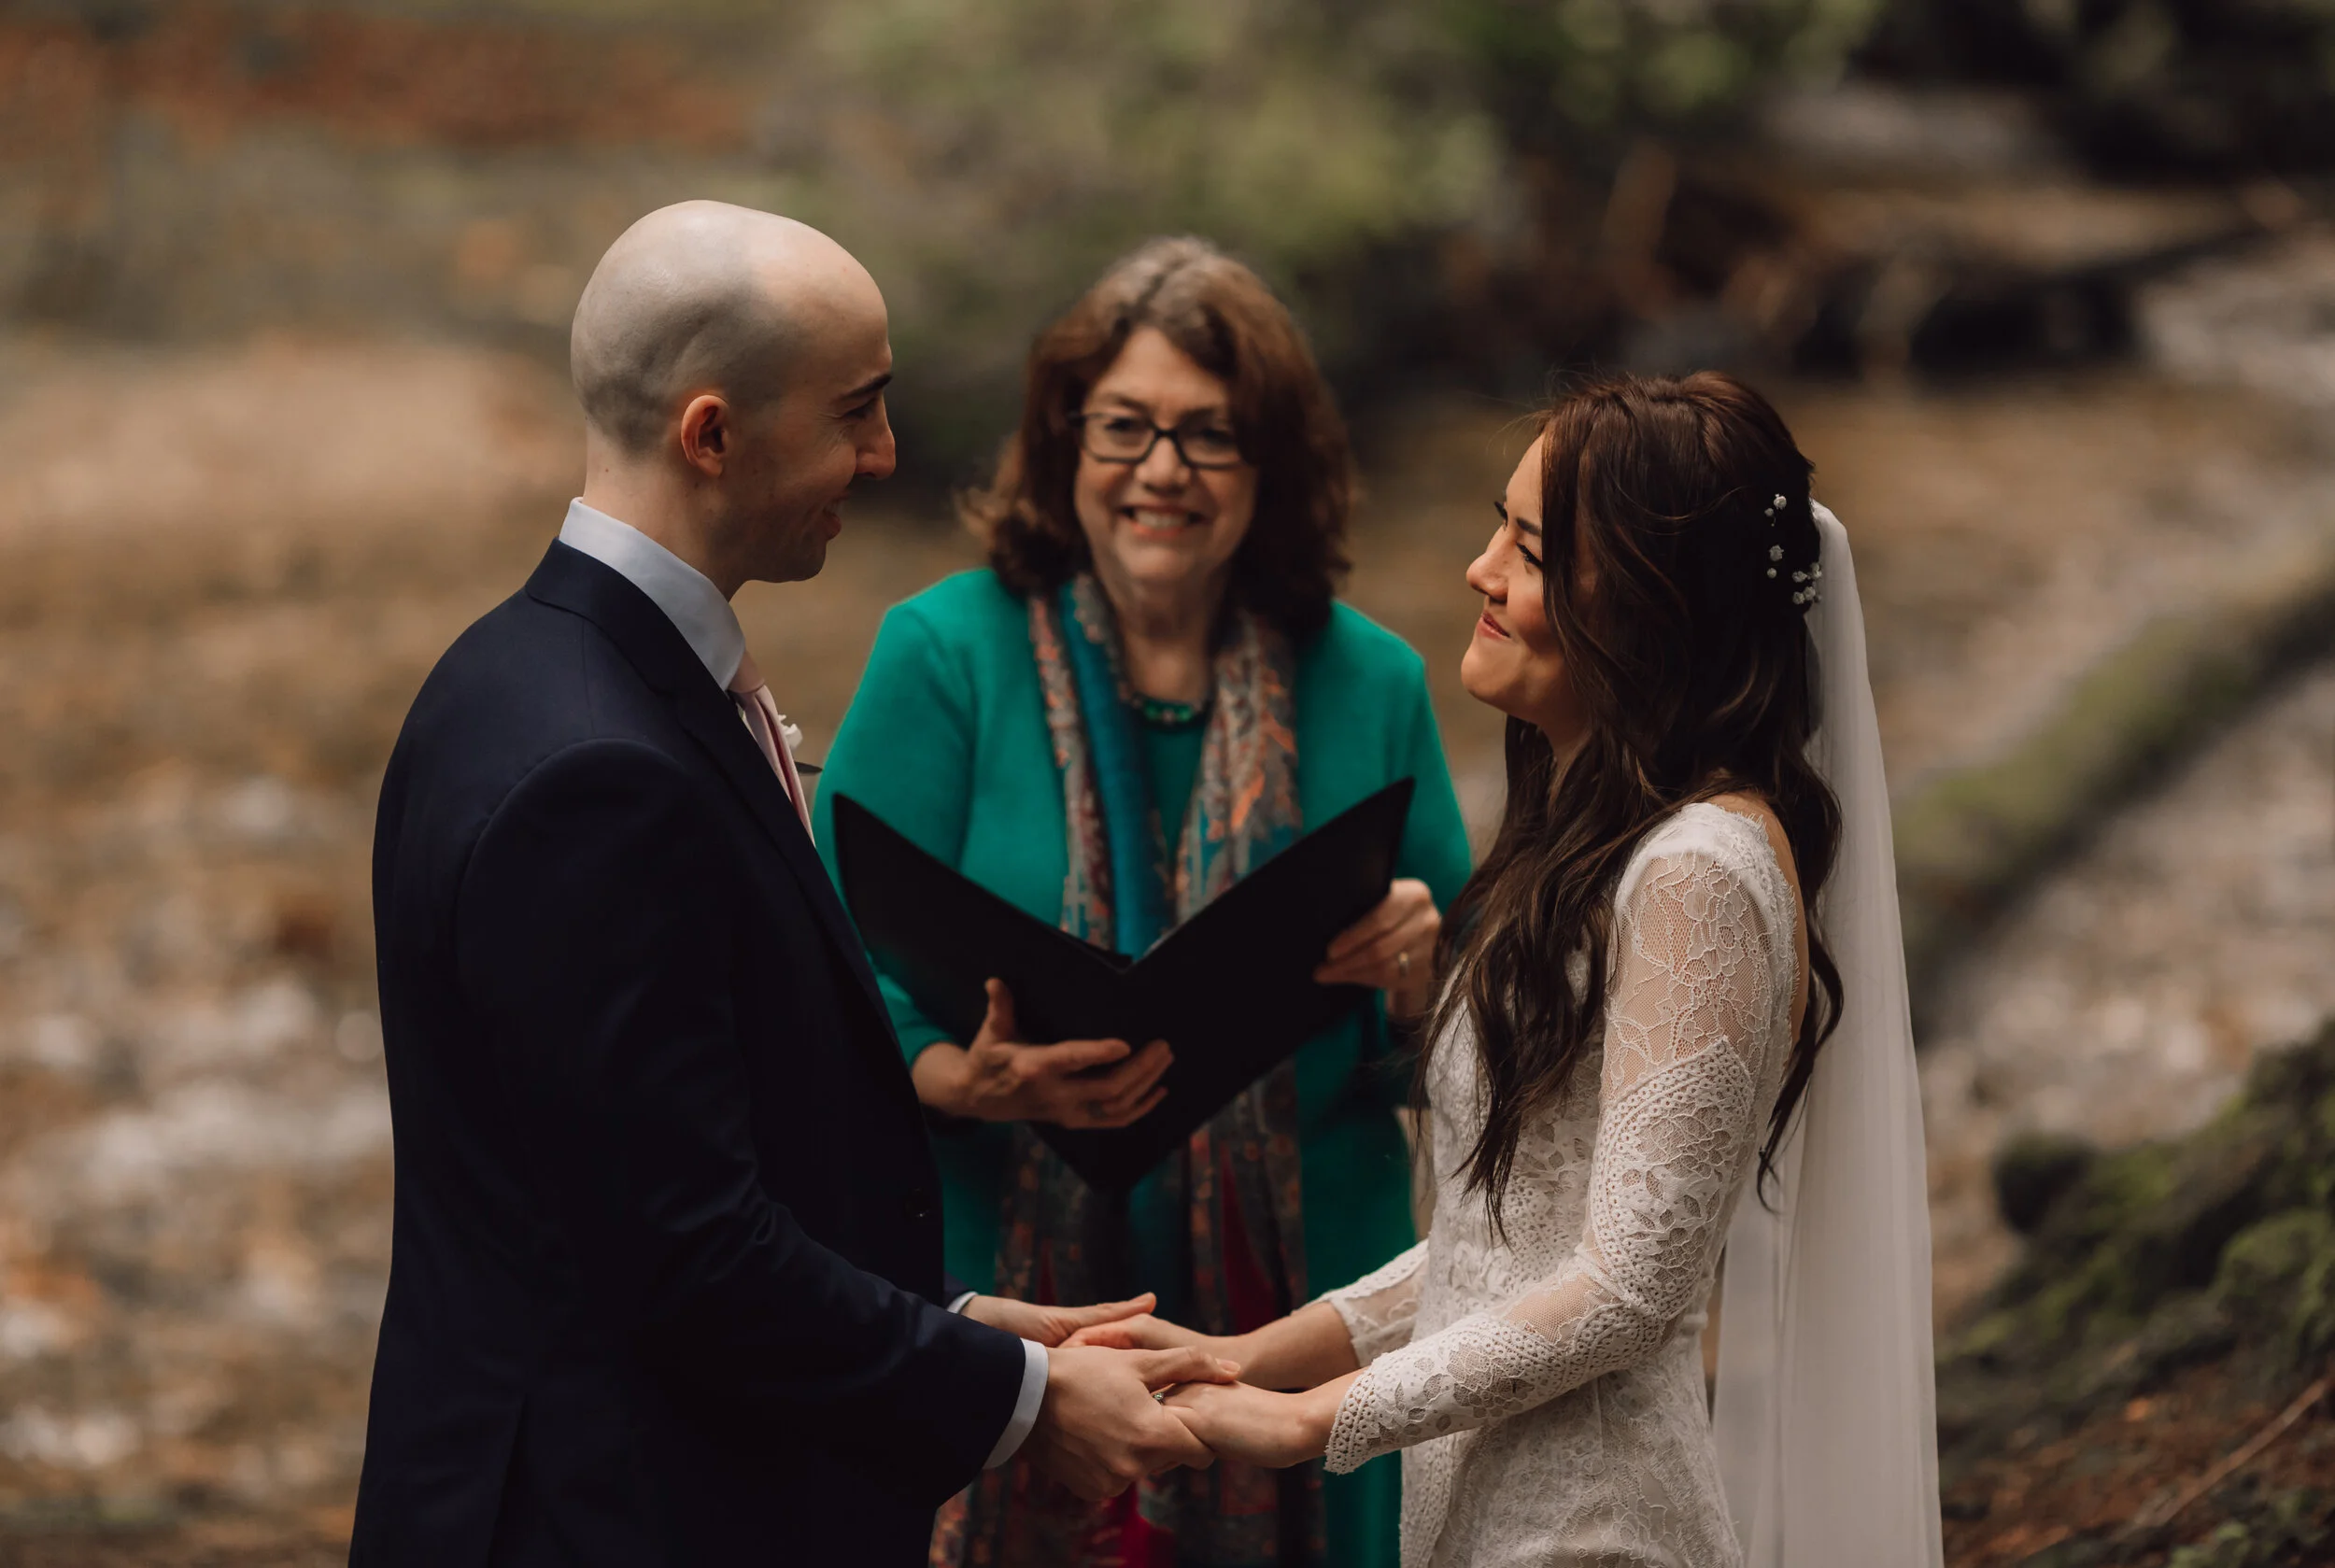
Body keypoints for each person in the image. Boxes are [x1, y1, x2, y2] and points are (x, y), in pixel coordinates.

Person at [350, 201, 1238, 1568]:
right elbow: (684, 1254)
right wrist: (1019, 1401)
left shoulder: (510, 672)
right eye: (857, 412)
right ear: (712, 433)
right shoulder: (600, 772)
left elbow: (659, 1165)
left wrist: (950, 1319)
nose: (883, 457)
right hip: (600, 1512)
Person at [1076, 374, 1944, 1566]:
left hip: (1594, 1531)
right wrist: (1246, 1354)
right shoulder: (1593, 839)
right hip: (1486, 1513)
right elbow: (1504, 1241)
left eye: (1529, 550)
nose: (1480, 570)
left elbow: (1630, 1285)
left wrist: (1306, 1422)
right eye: (1500, 527)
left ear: (1649, 606)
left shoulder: (1700, 867)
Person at [812, 237, 1473, 1566]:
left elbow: (1489, 1044)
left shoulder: (1377, 680)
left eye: (1209, 434)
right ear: (1064, 441)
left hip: (1309, 1289)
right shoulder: (943, 654)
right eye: (1124, 426)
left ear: (1270, 463)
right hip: (999, 1278)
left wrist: (1424, 966)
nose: (1161, 469)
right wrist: (955, 1072)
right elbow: (814, 972)